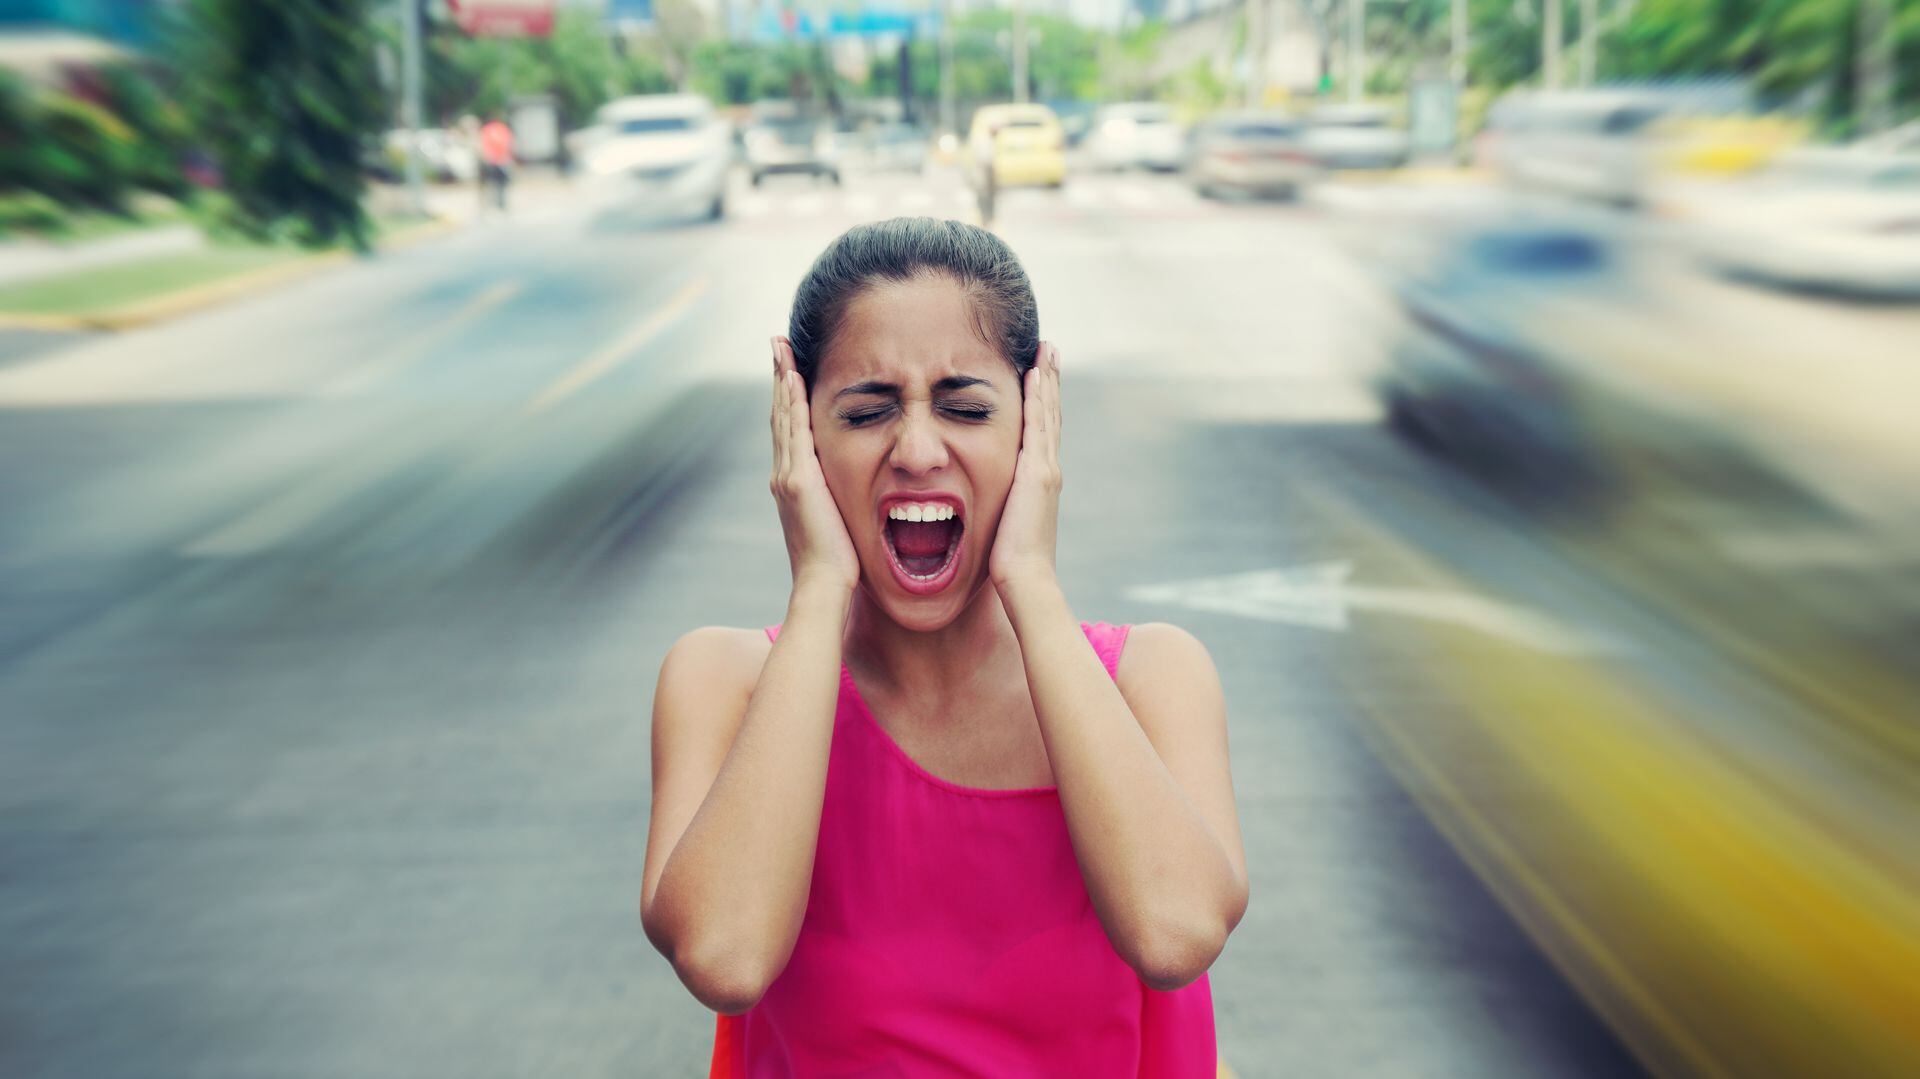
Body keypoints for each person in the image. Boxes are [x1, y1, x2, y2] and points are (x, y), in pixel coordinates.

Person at [641, 217, 1248, 1076]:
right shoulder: (722, 681)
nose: (918, 450)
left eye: (965, 407)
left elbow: (1176, 931)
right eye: (865, 410)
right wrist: (819, 587)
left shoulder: (1154, 677)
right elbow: (726, 958)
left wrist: (1030, 579)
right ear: (800, 431)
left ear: (1036, 422)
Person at [478, 116, 513, 213]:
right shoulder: (503, 129)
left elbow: (483, 146)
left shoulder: (487, 130)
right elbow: (509, 143)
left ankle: (493, 203)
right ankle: (501, 202)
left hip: (492, 161)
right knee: (501, 183)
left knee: (492, 183)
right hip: (502, 160)